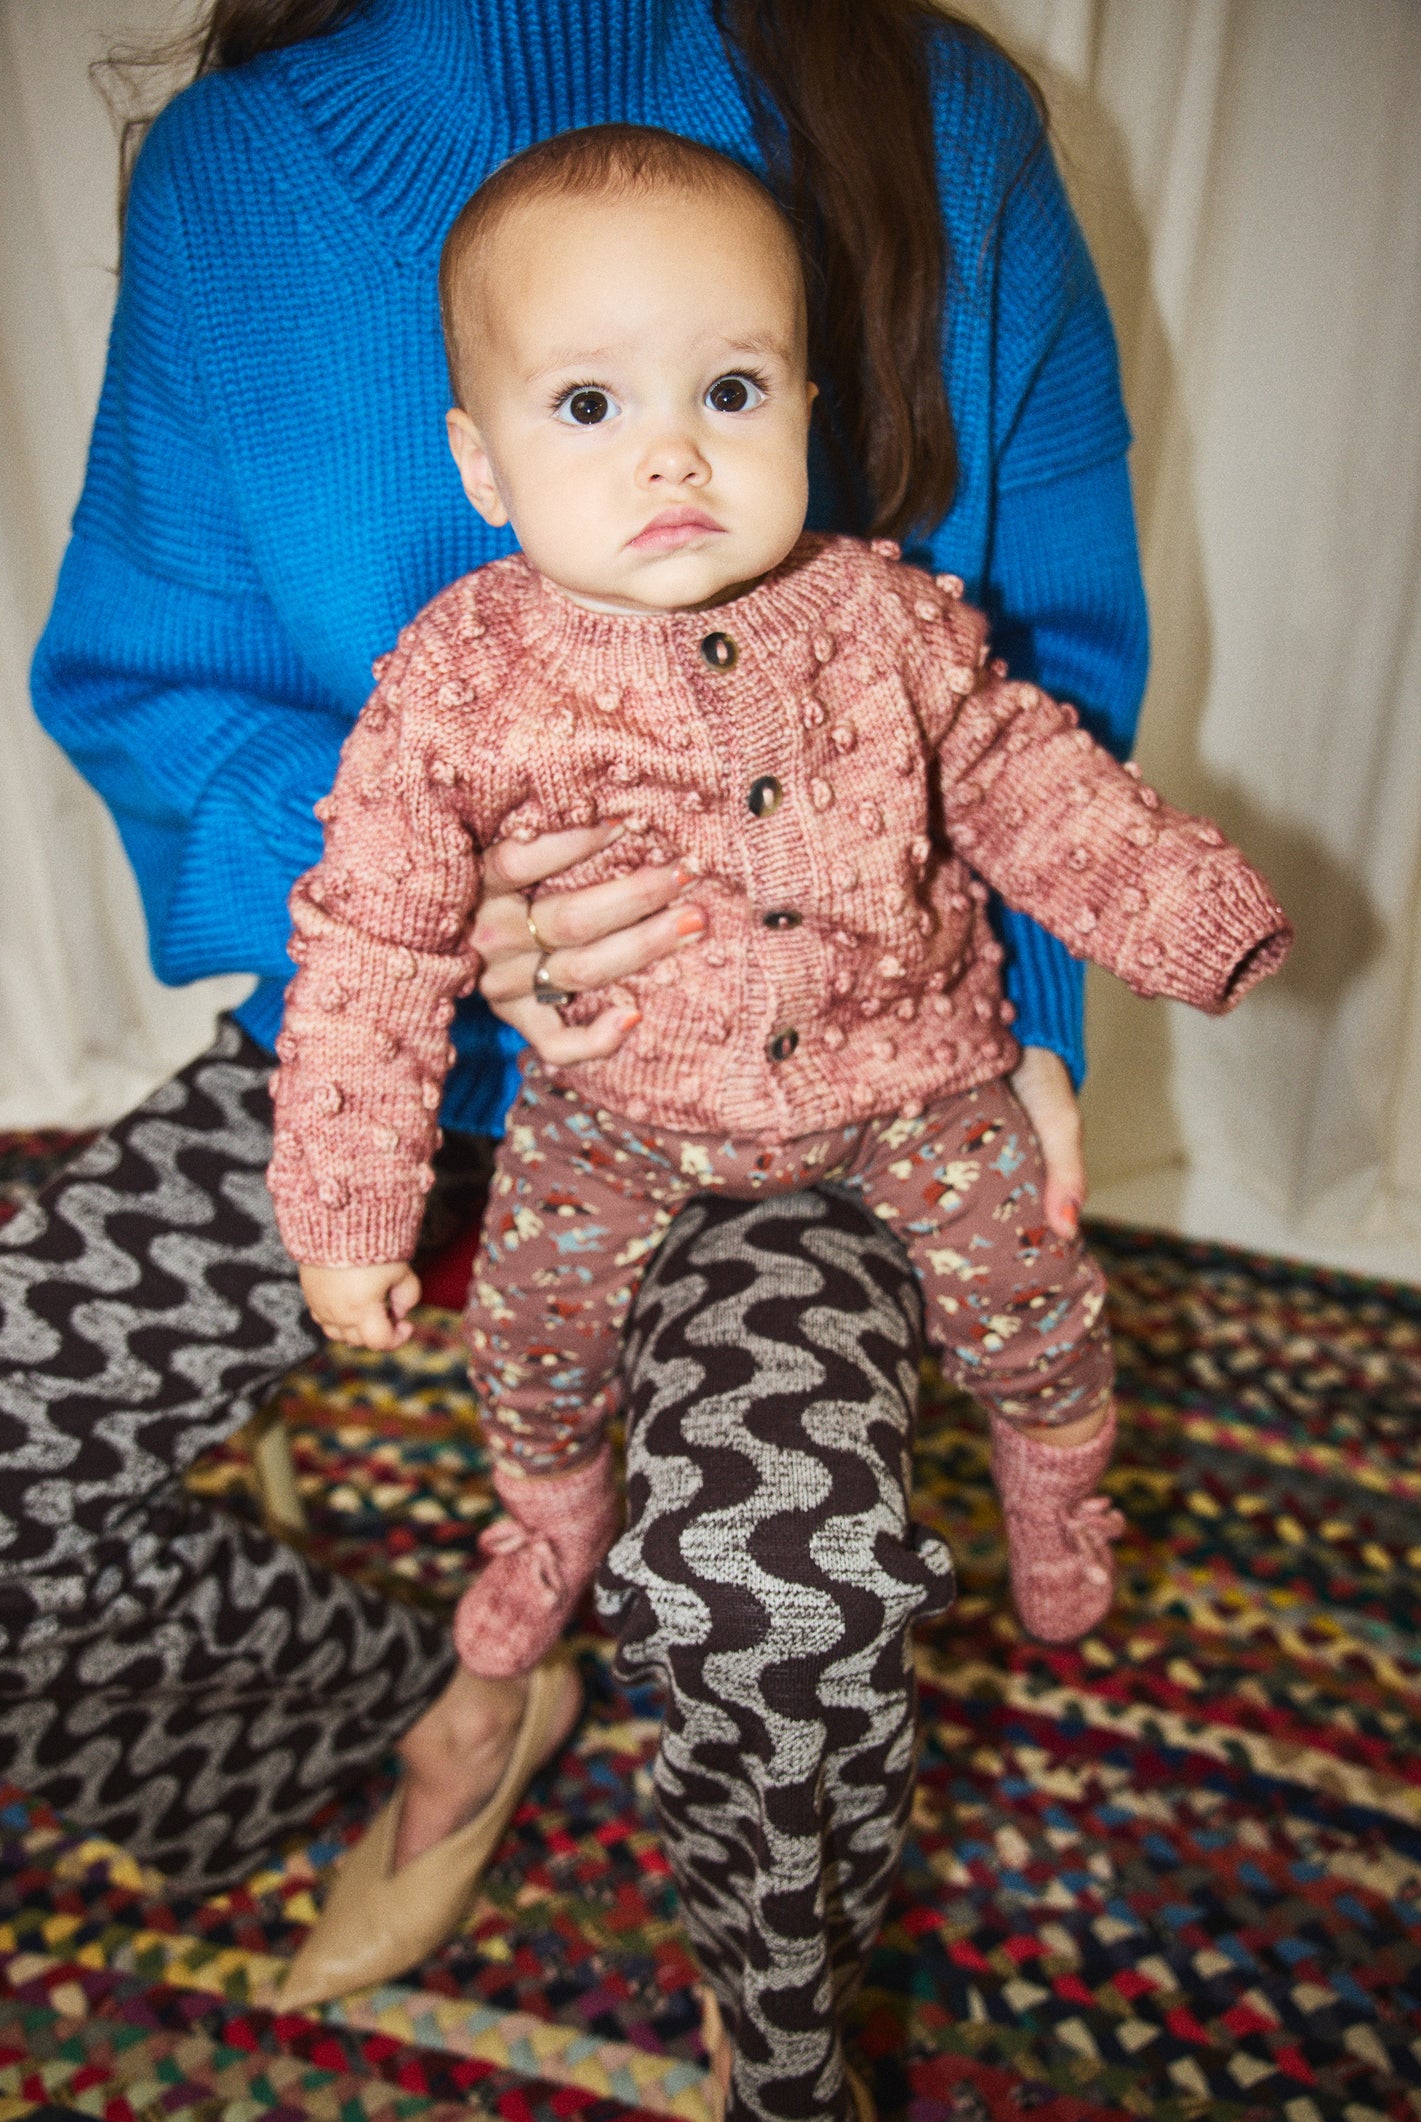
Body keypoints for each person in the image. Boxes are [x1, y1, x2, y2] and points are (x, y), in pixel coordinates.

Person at [0, 3, 1162, 2122]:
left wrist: (1033, 1028)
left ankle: (777, 2028)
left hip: (810, 1079)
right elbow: (149, 674)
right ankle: (439, 1698)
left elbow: (1031, 671)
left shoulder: (937, 110)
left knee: (776, 1574)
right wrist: (432, 903)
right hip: (385, 1052)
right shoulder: (237, 173)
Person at [271, 125, 1288, 1706]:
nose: (672, 456)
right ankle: (549, 1523)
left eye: (730, 392)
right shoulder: (457, 683)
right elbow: (372, 951)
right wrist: (346, 1218)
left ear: (809, 409)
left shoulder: (882, 620)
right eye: (590, 406)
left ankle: (1054, 1484)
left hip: (914, 1075)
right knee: (530, 1333)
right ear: (479, 465)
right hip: (610, 1104)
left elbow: (1024, 776)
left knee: (1031, 1294)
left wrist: (1186, 914)